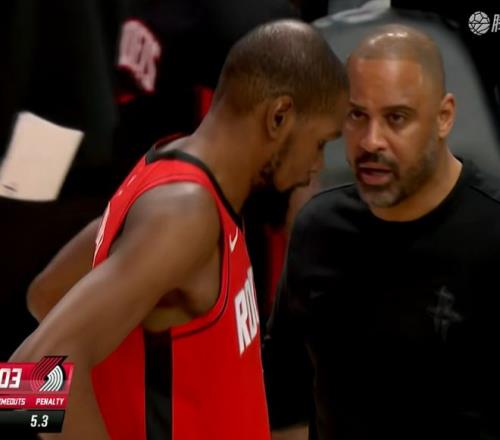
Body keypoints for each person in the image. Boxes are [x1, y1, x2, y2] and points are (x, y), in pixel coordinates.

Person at [9, 19, 348, 440]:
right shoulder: (184, 213)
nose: (317, 165)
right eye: (320, 142)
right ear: (279, 116)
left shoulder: (177, 175)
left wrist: (117, 390)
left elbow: (46, 294)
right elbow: (28, 375)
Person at [265, 24, 500, 440]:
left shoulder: (491, 230)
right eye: (357, 115)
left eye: (396, 118)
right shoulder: (319, 229)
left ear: (444, 117)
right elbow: (285, 394)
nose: (371, 141)